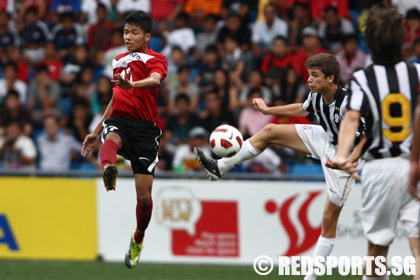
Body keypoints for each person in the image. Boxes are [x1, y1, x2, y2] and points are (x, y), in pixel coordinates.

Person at [194, 53, 366, 280]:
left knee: (328, 219)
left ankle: (312, 277)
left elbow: (365, 138)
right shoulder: (317, 96)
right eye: (309, 75)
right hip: (325, 137)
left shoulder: (347, 102)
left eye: (315, 76)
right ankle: (219, 167)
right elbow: (303, 109)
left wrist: (347, 162)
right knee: (269, 131)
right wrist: (268, 110)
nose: (309, 80)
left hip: (347, 155)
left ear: (331, 78)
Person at [331, 6, 420, 279]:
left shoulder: (362, 78)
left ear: (367, 42)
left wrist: (342, 155)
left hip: (380, 170)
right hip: (415, 165)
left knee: (378, 249)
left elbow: (351, 118)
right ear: (402, 39)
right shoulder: (416, 73)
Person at [81, 11, 167, 269]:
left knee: (144, 198)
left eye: (134, 33)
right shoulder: (118, 60)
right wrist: (96, 130)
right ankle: (109, 167)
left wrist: (133, 85)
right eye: (125, 32)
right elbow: (115, 98)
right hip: (120, 119)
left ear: (146, 36)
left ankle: (138, 236)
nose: (128, 37)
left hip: (145, 130)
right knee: (112, 136)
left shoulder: (157, 58)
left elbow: (154, 79)